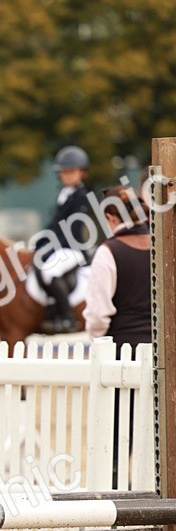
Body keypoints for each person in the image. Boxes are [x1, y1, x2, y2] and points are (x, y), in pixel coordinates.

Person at [83, 184, 152, 488]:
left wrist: (97, 341)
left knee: (116, 433)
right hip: (161, 351)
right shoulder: (164, 246)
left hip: (122, 352)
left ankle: (115, 490)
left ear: (111, 216)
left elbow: (98, 314)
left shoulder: (109, 251)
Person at [31, 145, 93, 333]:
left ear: (82, 172)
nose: (67, 175)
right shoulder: (63, 193)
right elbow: (55, 224)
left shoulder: (81, 197)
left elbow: (72, 229)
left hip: (73, 248)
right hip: (60, 246)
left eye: (71, 171)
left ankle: (68, 318)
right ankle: (51, 312)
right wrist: (41, 239)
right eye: (64, 171)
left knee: (50, 271)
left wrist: (52, 246)